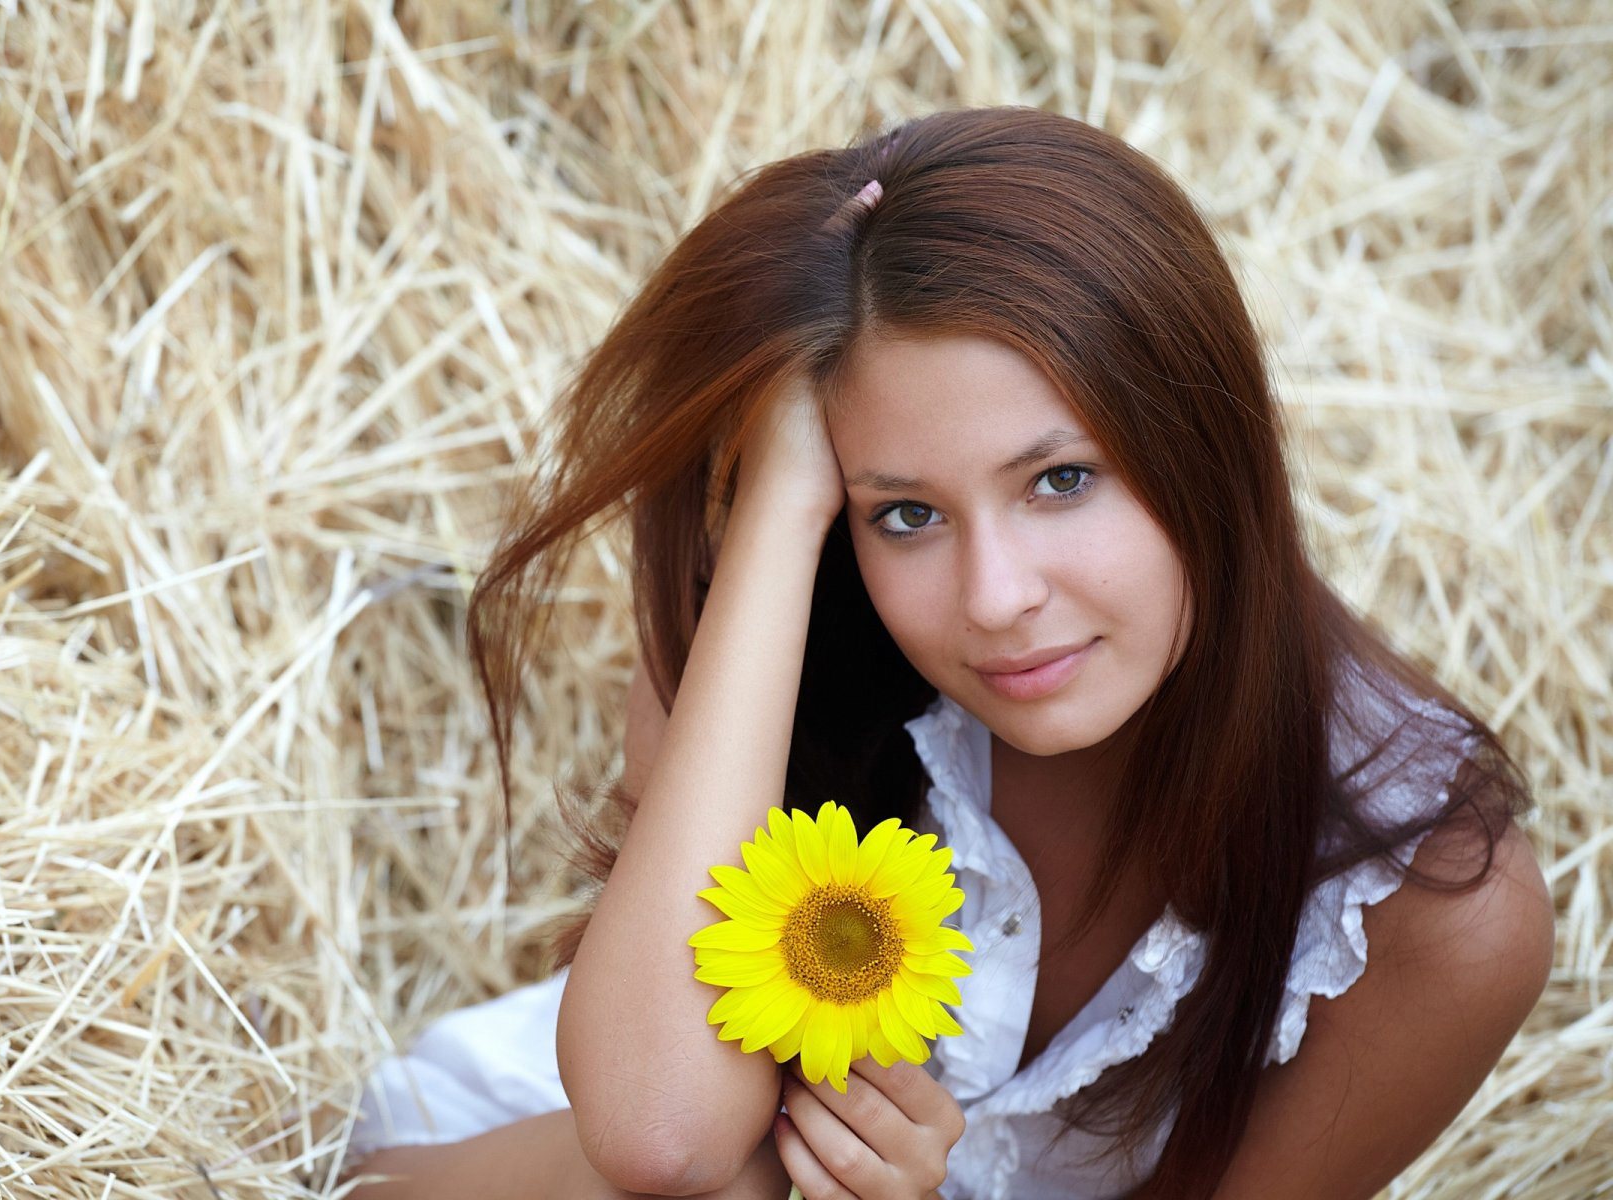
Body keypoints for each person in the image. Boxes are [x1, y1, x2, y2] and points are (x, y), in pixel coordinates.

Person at [337, 106, 1554, 1199]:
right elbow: (660, 1142)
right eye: (905, 512)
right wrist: (779, 511)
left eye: (1062, 480)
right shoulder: (797, 626)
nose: (996, 599)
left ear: (1205, 441)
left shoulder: (1423, 902)